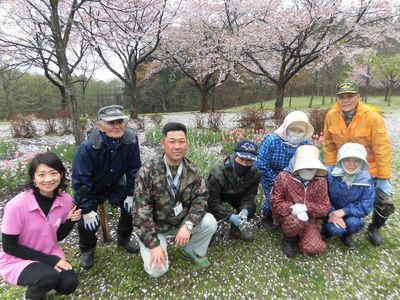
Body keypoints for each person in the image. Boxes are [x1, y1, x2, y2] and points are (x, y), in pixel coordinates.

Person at [133, 122, 217, 277]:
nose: (177, 146)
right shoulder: (147, 171)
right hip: (156, 228)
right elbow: (140, 213)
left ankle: (193, 250)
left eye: (181, 141)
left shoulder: (193, 170)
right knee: (157, 271)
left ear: (187, 143)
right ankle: (151, 246)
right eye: (172, 141)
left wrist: (188, 225)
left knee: (210, 221)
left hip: (181, 222)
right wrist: (154, 245)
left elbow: (201, 199)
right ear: (162, 143)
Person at [0, 152, 81, 299]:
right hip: (18, 258)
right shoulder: (16, 206)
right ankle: (31, 295)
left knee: (69, 283)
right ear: (33, 178)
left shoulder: (65, 200)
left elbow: (57, 236)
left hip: (49, 252)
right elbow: (9, 247)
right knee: (47, 277)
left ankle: (46, 284)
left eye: (53, 173)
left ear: (61, 174)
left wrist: (70, 221)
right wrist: (50, 261)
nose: (48, 179)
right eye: (42, 174)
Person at [323, 80, 394, 246]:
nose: (346, 100)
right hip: (343, 166)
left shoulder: (372, 117)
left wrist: (383, 177)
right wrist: (331, 166)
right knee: (337, 196)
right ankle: (338, 225)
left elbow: (382, 147)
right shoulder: (331, 115)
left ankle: (375, 228)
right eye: (342, 97)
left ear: (358, 97)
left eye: (350, 96)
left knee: (385, 202)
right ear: (337, 98)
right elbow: (329, 144)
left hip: (369, 168)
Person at [72, 105, 142, 269]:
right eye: (111, 123)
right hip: (91, 188)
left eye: (120, 121)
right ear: (99, 126)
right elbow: (81, 181)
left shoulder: (130, 140)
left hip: (115, 183)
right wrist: (87, 209)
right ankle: (88, 250)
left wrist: (131, 193)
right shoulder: (88, 147)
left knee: (131, 208)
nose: (117, 126)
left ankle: (123, 239)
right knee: (85, 220)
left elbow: (134, 170)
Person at [257, 111, 314, 229]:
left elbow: (310, 163)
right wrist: (277, 182)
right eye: (293, 130)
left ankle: (288, 218)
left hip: (295, 177)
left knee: (293, 200)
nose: (297, 133)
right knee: (272, 199)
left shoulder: (306, 143)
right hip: (271, 175)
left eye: (300, 131)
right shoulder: (272, 140)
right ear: (286, 128)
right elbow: (262, 163)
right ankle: (267, 216)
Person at [270, 145, 330, 257]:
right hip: (288, 216)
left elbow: (325, 207)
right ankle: (289, 239)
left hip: (309, 218)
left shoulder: (321, 181)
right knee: (294, 222)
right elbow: (275, 202)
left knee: (314, 247)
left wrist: (306, 207)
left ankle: (304, 234)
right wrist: (292, 208)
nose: (308, 169)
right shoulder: (283, 177)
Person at [322, 143, 374, 250]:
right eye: (348, 160)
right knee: (335, 229)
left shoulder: (366, 180)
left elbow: (366, 205)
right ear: (341, 160)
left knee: (355, 223)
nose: (352, 164)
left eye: (356, 160)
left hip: (351, 213)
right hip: (330, 210)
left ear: (362, 162)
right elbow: (322, 195)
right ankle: (326, 230)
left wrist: (344, 211)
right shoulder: (330, 174)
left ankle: (346, 236)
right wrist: (332, 212)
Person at [207, 140, 261, 241]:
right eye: (241, 159)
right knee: (210, 212)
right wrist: (229, 216)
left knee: (251, 208)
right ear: (236, 155)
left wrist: (244, 210)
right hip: (220, 195)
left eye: (249, 160)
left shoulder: (255, 173)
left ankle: (236, 231)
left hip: (238, 195)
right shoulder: (217, 172)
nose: (244, 164)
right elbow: (212, 200)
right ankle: (208, 232)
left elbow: (249, 196)